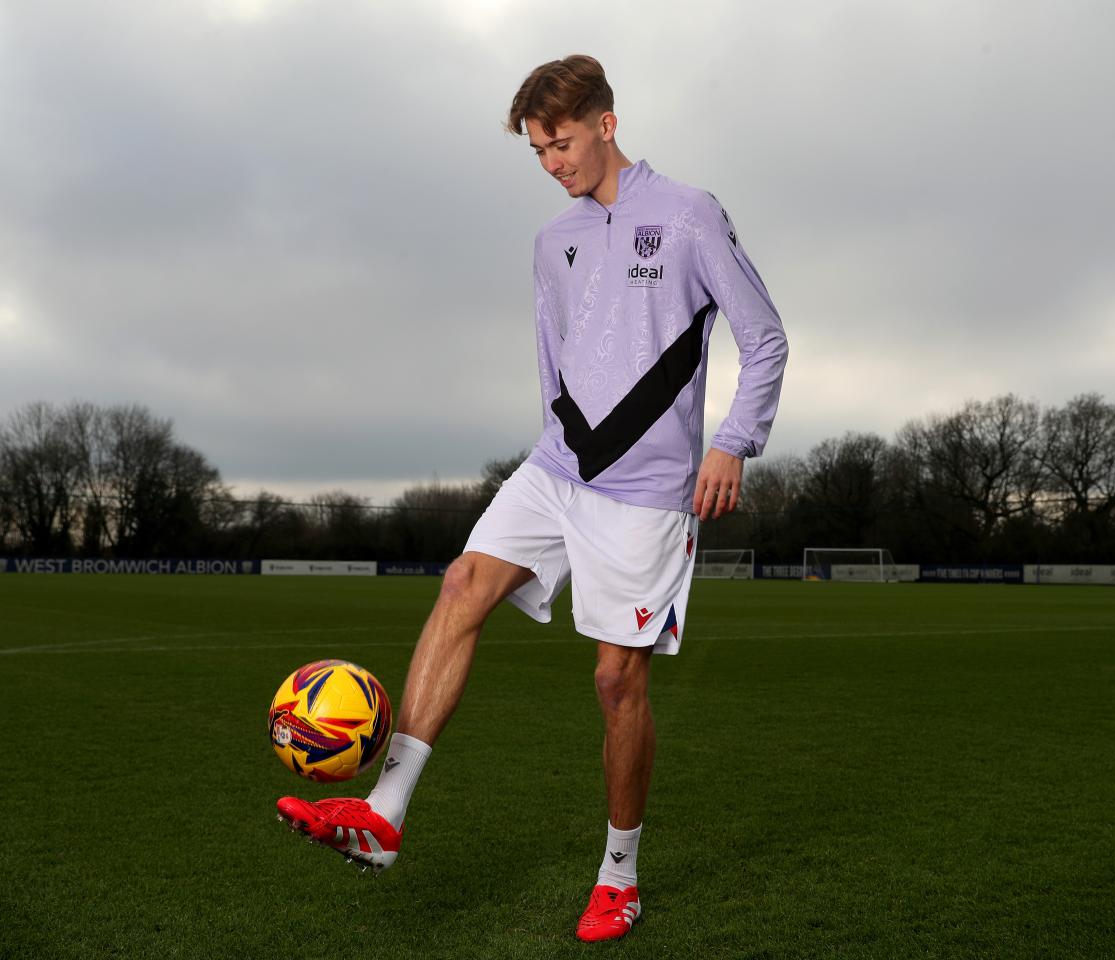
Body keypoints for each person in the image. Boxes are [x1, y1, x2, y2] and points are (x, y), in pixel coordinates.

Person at [277, 54, 788, 942]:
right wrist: (553, 451)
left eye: (562, 144)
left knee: (616, 684)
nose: (552, 164)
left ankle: (619, 876)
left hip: (648, 494)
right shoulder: (552, 242)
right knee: (461, 583)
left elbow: (766, 336)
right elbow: (552, 361)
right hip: (556, 469)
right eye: (538, 152)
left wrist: (733, 442)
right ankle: (384, 814)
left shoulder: (689, 214)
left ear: (606, 124)